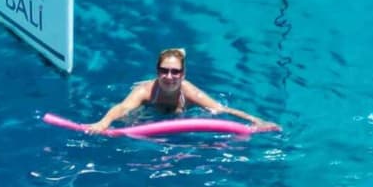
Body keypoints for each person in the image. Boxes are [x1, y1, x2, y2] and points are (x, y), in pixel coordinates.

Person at [85, 47, 280, 133]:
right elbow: (122, 107)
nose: (169, 76)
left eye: (175, 72)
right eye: (164, 70)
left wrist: (257, 121)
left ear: (183, 74)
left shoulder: (189, 93)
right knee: (129, 119)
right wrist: (104, 122)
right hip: (150, 112)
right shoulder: (145, 91)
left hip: (176, 114)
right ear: (157, 71)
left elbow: (222, 109)